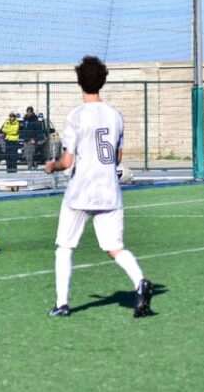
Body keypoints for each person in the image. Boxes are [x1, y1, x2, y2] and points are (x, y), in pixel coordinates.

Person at [44, 56, 153, 318]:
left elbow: (67, 161)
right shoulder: (115, 116)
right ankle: (140, 281)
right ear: (102, 81)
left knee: (65, 247)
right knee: (114, 247)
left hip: (81, 191)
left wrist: (52, 166)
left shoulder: (76, 116)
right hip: (109, 191)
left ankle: (62, 304)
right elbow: (117, 157)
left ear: (79, 81)